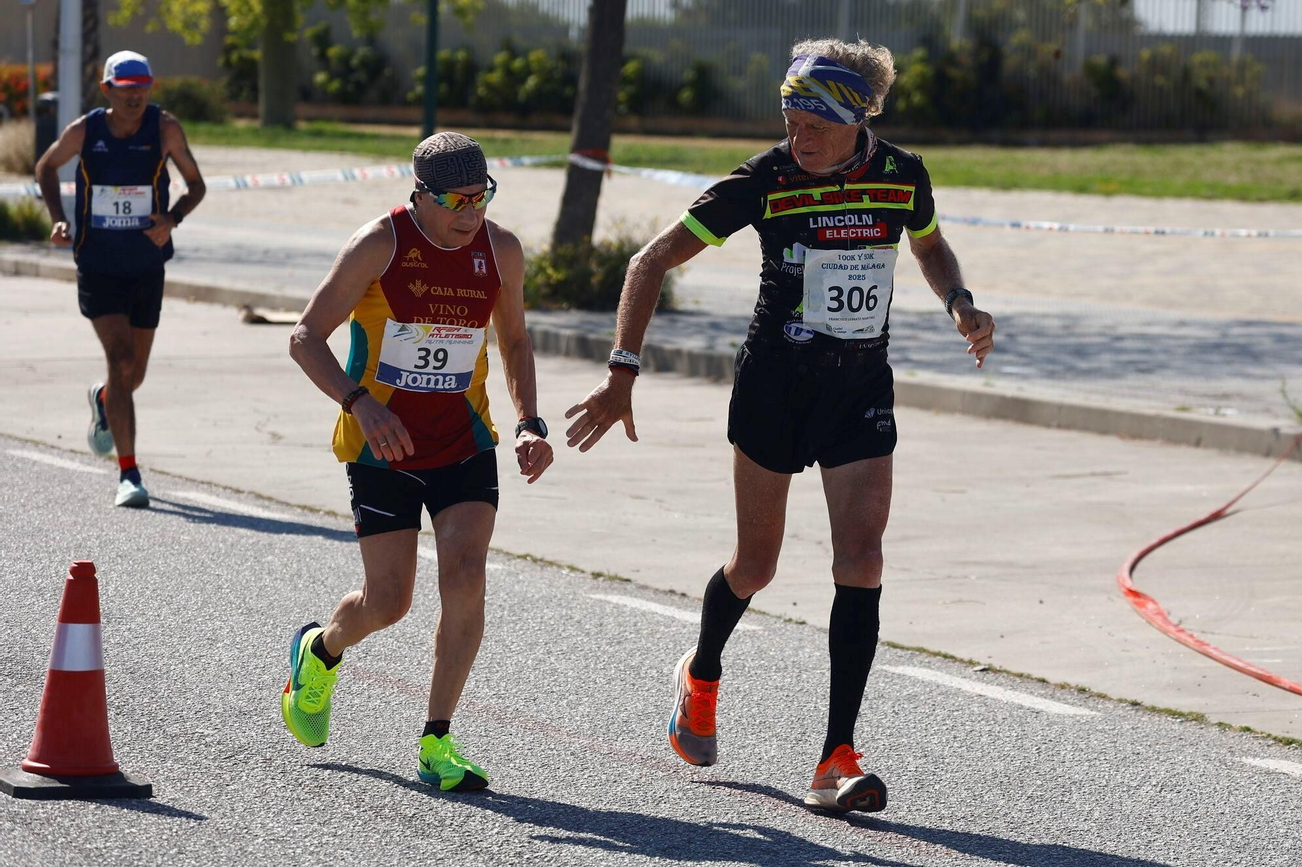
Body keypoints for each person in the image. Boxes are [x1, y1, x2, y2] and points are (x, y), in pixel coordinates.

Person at [564, 40, 997, 813]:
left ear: (858, 119)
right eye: (791, 122)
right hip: (775, 387)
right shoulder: (765, 179)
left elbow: (928, 243)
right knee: (756, 567)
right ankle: (701, 671)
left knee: (862, 559)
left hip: (860, 389)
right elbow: (648, 262)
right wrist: (621, 371)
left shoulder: (903, 175)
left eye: (815, 126)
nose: (799, 138)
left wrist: (958, 300)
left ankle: (836, 759)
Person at [282, 131, 554, 792]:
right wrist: (360, 405)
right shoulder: (380, 244)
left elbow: (516, 340)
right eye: (457, 200)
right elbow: (305, 337)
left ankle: (437, 740)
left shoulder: (501, 250)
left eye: (482, 197)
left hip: (464, 442)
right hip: (384, 448)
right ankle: (321, 650)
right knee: (388, 601)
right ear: (421, 195)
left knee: (466, 575)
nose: (471, 213)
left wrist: (528, 422)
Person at [34, 50, 207, 509]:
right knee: (121, 357)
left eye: (142, 88)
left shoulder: (165, 128)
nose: (135, 97)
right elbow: (46, 166)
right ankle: (129, 473)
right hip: (98, 263)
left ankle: (105, 398)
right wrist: (58, 218)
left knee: (133, 376)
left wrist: (172, 218)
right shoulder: (85, 130)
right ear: (107, 90)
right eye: (126, 90)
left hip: (147, 264)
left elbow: (197, 185)